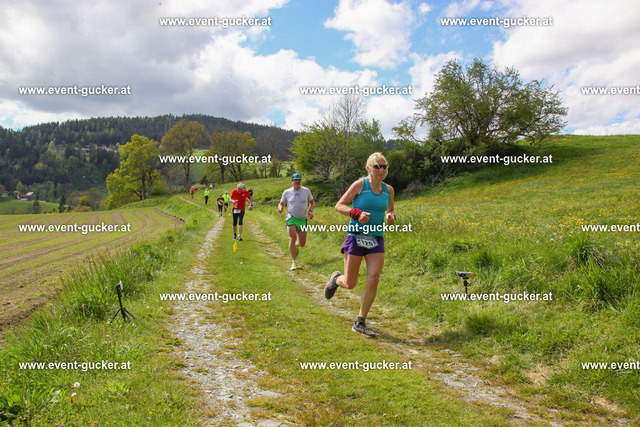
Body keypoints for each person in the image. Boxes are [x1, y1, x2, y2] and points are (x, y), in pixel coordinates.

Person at [324, 152, 395, 337]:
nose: (381, 170)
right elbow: (339, 205)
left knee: (374, 277)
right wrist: (356, 214)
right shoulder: (359, 185)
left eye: (384, 167)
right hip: (356, 236)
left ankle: (360, 321)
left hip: (376, 238)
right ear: (368, 168)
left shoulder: (389, 190)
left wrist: (390, 216)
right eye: (377, 166)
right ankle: (336, 280)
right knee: (350, 283)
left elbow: (390, 209)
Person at [278, 173, 315, 271]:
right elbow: (281, 203)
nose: (297, 182)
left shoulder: (306, 191)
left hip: (302, 219)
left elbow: (312, 202)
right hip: (291, 218)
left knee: (302, 243)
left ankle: (295, 246)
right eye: (295, 180)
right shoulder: (287, 192)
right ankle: (294, 262)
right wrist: (280, 208)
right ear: (292, 181)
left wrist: (311, 211)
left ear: (301, 181)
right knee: (292, 238)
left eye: (299, 180)